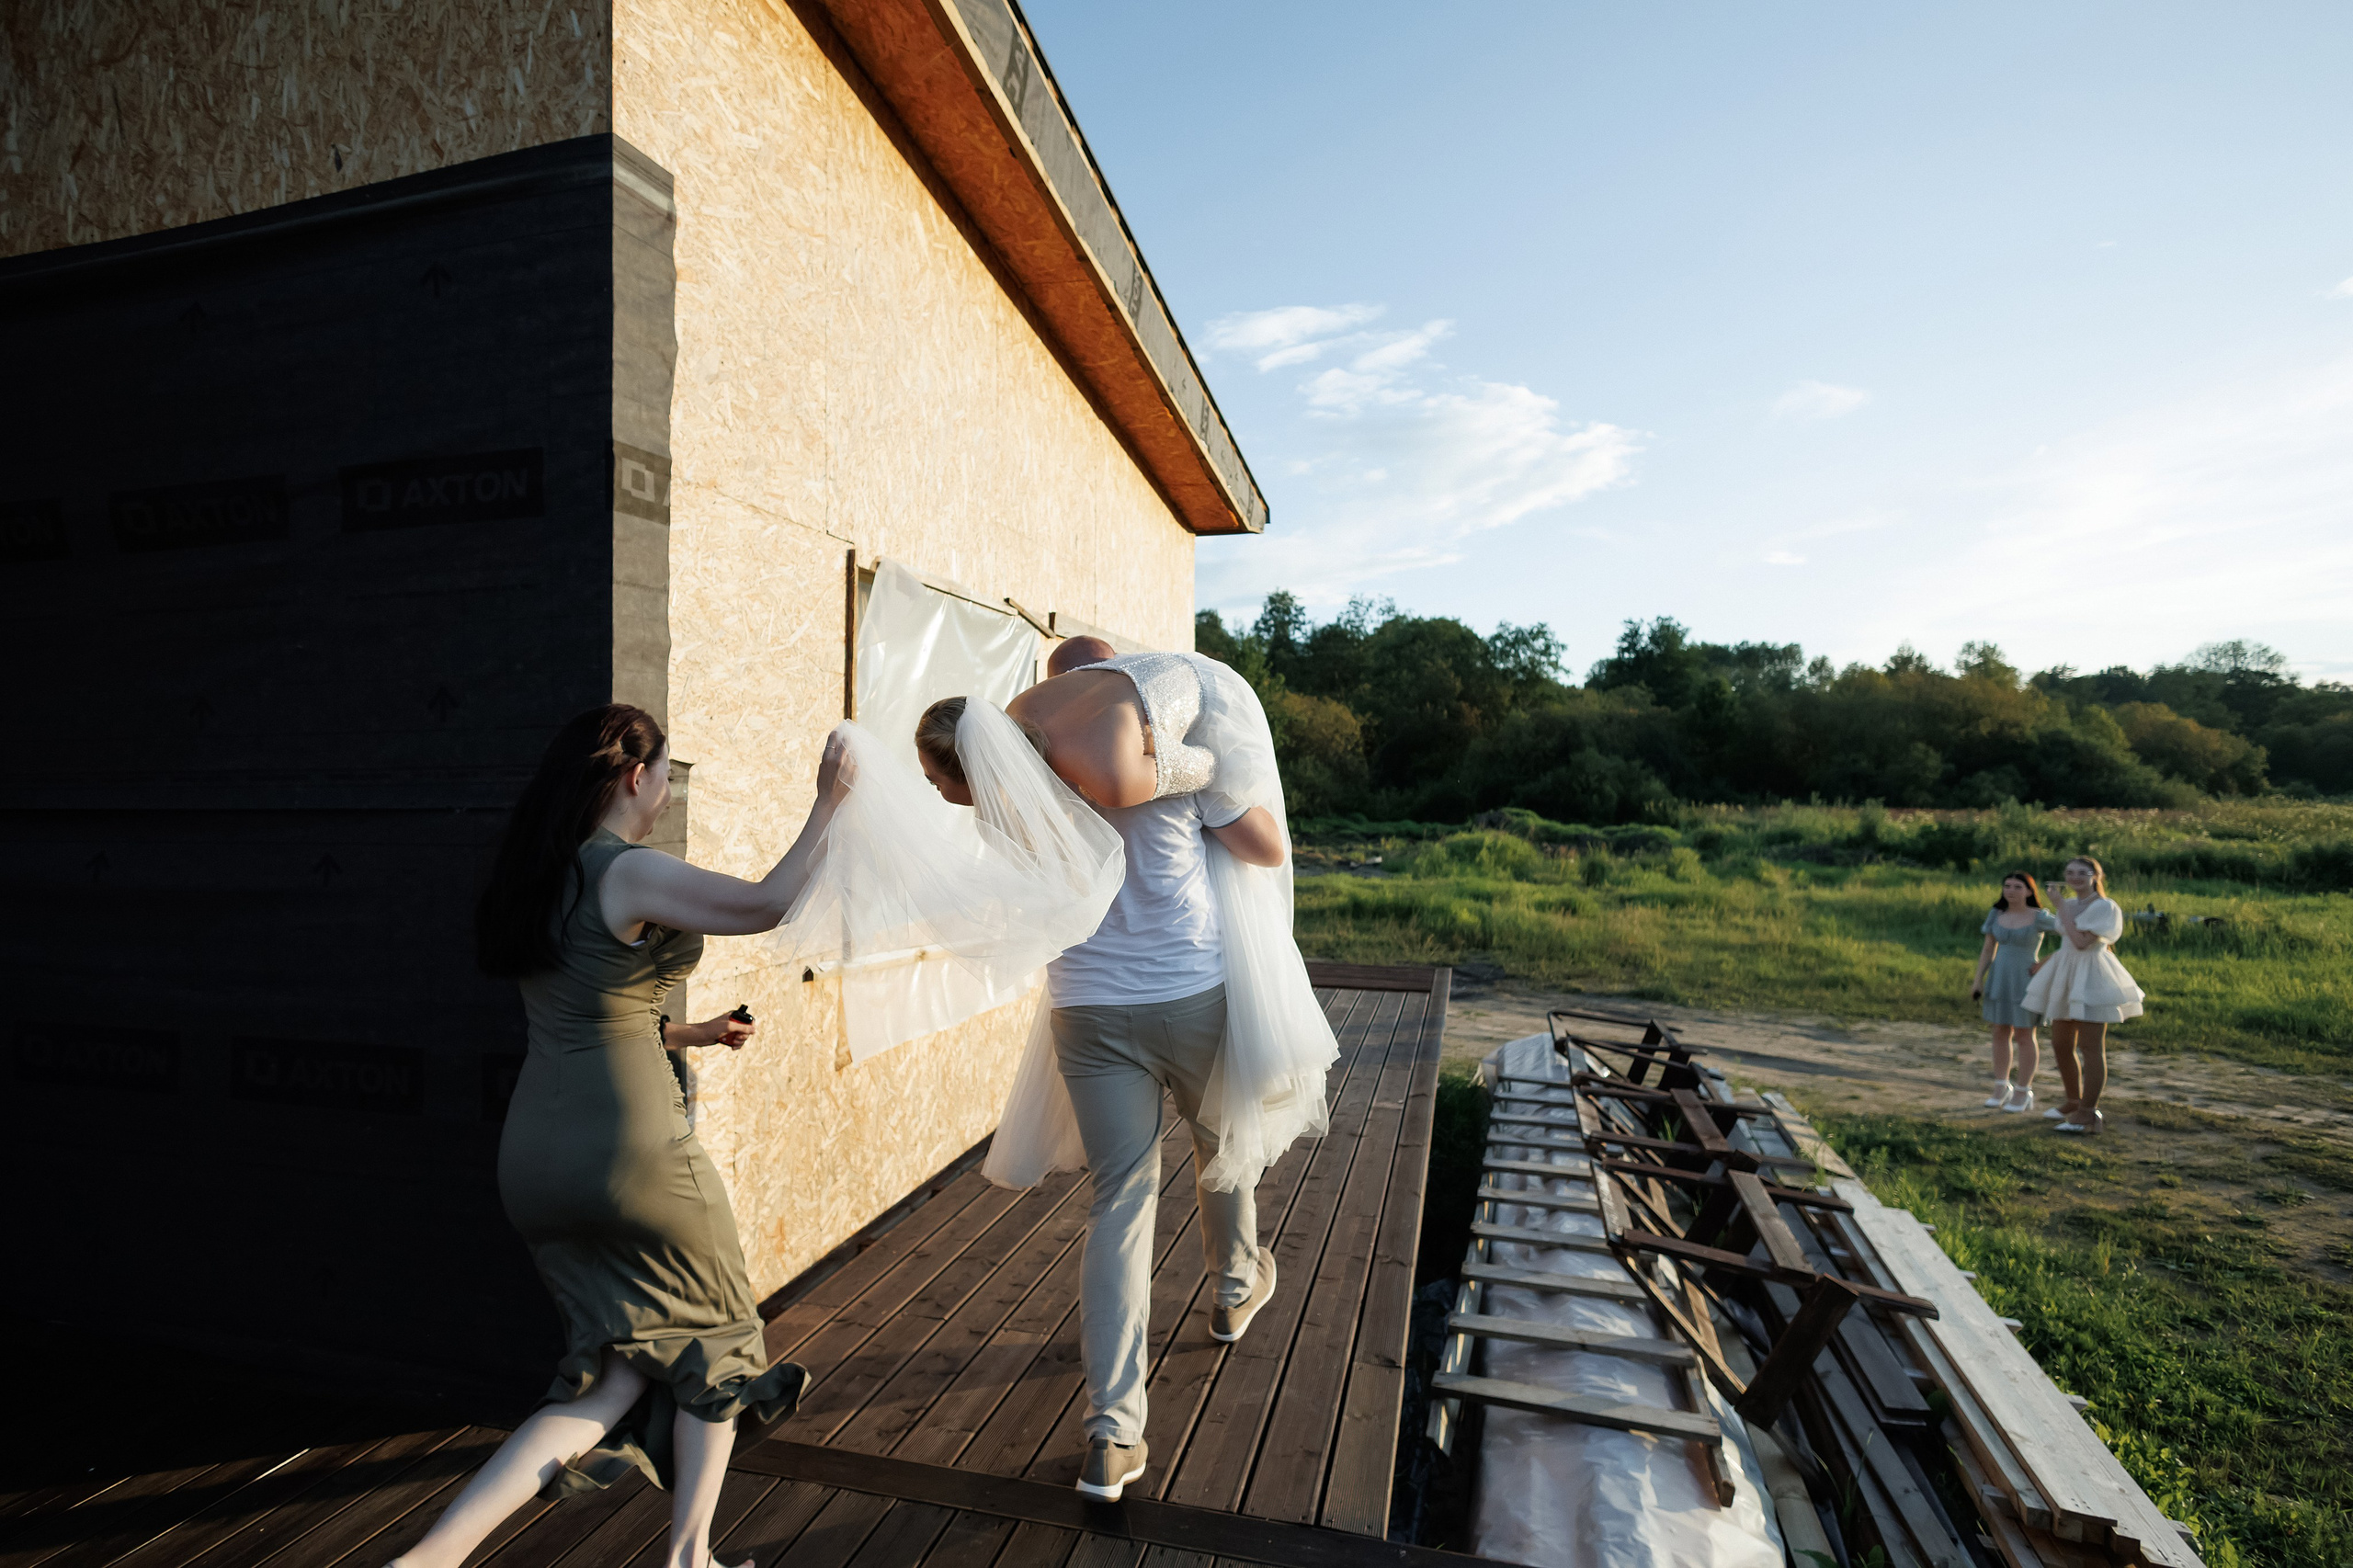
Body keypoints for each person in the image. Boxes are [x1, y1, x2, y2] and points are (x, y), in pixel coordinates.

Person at [392, 705, 847, 1568]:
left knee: (613, 1372)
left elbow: (593, 1013)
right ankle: (689, 1558)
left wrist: (696, 1034)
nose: (667, 790)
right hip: (636, 1159)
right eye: (667, 772)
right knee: (718, 1344)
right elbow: (768, 905)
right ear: (635, 776)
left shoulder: (537, 873)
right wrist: (829, 802)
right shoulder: (629, 871)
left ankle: (429, 1561)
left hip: (535, 1157)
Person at [917, 649, 1336, 1503]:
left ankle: (1113, 1436)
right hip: (1189, 990)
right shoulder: (1156, 767)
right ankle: (1232, 1286)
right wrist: (1209, 773)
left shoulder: (1014, 793)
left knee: (1119, 1203)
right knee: (1220, 1142)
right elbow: (1265, 849)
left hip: (1088, 1012)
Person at [2019, 855, 2145, 1136]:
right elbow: (2067, 942)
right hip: (2065, 973)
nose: (2074, 877)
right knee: (2061, 1043)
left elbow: (2081, 941)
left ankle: (2089, 1112)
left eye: (2082, 872)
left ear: (2095, 876)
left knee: (2090, 1047)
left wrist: (2061, 906)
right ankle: (2073, 1101)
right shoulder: (2072, 904)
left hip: (2092, 977)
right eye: (2069, 872)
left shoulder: (2105, 907)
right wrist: (2047, 961)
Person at [1970, 871, 2058, 1113]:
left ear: (2029, 891)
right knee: (1999, 1031)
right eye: (2007, 885)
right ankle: (2001, 1086)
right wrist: (1978, 980)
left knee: (2024, 1034)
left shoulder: (2039, 917)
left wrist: (2046, 962)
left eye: (2018, 886)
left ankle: (2023, 1091)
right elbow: (1988, 949)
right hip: (1999, 978)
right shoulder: (1996, 914)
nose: (2010, 890)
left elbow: (2071, 936)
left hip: (2025, 980)